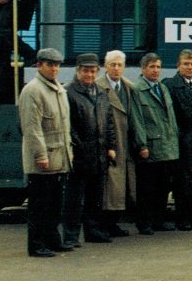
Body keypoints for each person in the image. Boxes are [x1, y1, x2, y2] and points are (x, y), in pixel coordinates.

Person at [18, 47, 71, 257]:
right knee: (40, 205)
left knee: (55, 203)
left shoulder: (58, 88)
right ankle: (36, 245)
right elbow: (32, 128)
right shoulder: (33, 90)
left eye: (57, 65)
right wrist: (40, 155)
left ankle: (52, 240)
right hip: (44, 159)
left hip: (58, 157)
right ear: (38, 66)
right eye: (50, 64)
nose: (55, 68)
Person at [62, 52, 115, 246]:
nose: (90, 75)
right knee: (74, 199)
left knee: (95, 197)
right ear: (78, 71)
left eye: (93, 71)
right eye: (86, 71)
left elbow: (108, 121)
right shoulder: (68, 92)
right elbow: (68, 125)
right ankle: (70, 236)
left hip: (99, 154)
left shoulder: (101, 93)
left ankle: (92, 232)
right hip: (79, 155)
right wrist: (79, 146)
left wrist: (111, 146)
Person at [128, 52, 180, 235]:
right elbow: (137, 119)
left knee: (163, 187)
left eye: (158, 66)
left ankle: (159, 220)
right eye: (152, 67)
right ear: (143, 69)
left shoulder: (163, 88)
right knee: (147, 188)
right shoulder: (137, 90)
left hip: (167, 146)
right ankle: (145, 222)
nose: (156, 70)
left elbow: (170, 118)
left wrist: (174, 140)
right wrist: (142, 145)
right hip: (150, 147)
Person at [164, 49, 192, 230]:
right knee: (181, 180)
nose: (189, 67)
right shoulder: (170, 85)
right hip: (181, 139)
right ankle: (181, 218)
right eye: (186, 64)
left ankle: (188, 214)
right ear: (178, 65)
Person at [98, 49, 137, 237]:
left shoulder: (129, 88)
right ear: (105, 66)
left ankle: (113, 224)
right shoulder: (99, 87)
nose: (116, 68)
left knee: (120, 186)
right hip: (109, 144)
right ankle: (104, 225)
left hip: (125, 143)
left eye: (119, 65)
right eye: (112, 64)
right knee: (108, 187)